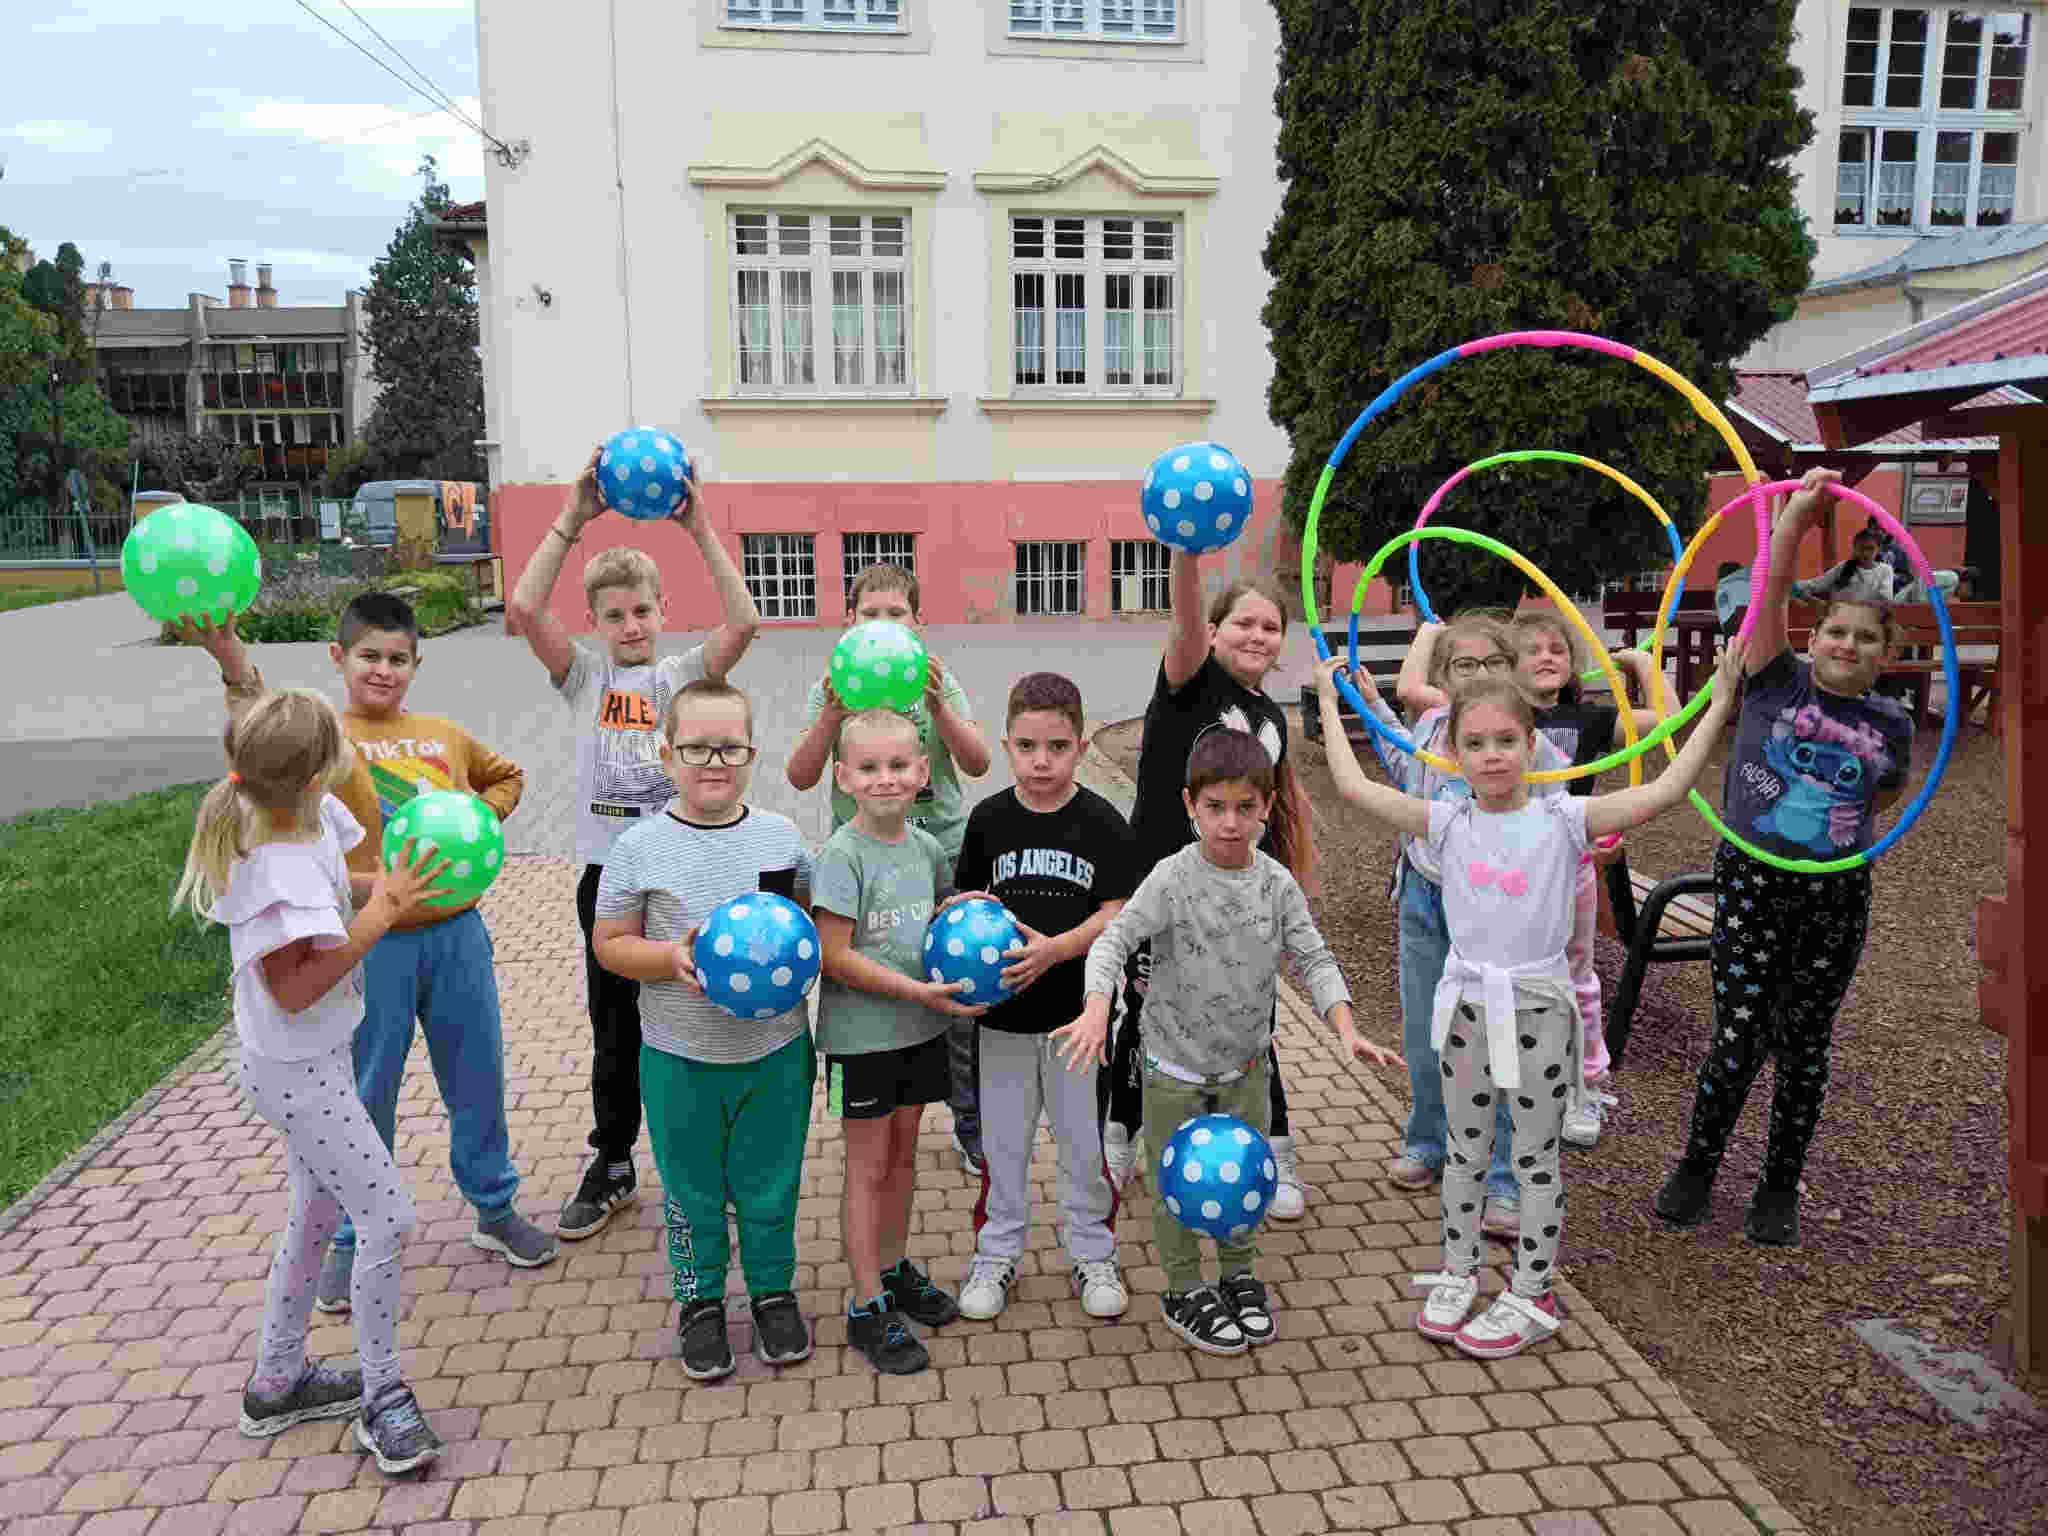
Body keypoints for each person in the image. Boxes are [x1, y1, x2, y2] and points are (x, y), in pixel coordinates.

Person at [1313, 639, 1746, 1358]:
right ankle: (1460, 1269)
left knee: (1537, 1158)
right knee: (1464, 1152)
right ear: (1453, 752)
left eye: (1506, 741)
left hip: (1539, 1013)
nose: (1491, 756)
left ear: (1532, 744)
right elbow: (1355, 787)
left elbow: (1668, 790)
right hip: (1467, 1011)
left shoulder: (1564, 819)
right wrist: (1332, 705)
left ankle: (1534, 1288)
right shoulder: (1448, 822)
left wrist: (1722, 699)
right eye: (1475, 743)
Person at [189, 597, 556, 1314]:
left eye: (398, 659)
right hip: (371, 940)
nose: (384, 671)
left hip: (457, 934)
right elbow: (265, 740)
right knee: (366, 1089)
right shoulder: (330, 739)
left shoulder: (443, 734)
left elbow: (506, 776)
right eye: (370, 657)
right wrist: (234, 663)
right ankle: (350, 1237)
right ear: (339, 659)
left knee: (476, 1073)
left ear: (416, 665)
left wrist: (475, 819)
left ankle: (494, 1205)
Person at [1055, 729, 1398, 1356]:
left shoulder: (1276, 884)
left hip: (1246, 1071)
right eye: (1215, 807)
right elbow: (1112, 941)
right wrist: (1097, 1007)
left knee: (1244, 1177)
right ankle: (1184, 1287)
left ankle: (1239, 1277)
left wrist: (1346, 1027)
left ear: (1267, 806)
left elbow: (1315, 957)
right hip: (1172, 1072)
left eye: (1245, 807)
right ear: (1190, 804)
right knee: (1175, 1187)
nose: (1231, 823)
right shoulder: (1171, 879)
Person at [174, 687, 447, 1474]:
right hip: (295, 1073)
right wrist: (381, 917)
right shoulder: (273, 871)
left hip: (313, 1059)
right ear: (317, 772)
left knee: (317, 1212)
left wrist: (383, 886)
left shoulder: (306, 815)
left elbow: (338, 883)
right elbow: (295, 988)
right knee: (387, 1219)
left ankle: (278, 1382)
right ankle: (383, 1399)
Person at [1653, 468, 1914, 1248]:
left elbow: (1886, 797)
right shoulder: (1774, 680)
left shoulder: (1892, 723)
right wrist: (1793, 521)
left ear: (1885, 654)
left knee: (1804, 1046)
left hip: (1835, 893)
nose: (1847, 644)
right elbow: (1767, 594)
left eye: (1865, 638)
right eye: (1836, 631)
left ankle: (1777, 1186)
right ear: (1812, 637)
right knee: (1738, 1037)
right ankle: (1697, 1168)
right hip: (1754, 883)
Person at [506, 447, 760, 1241]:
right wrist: (572, 517)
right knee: (614, 1031)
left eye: (642, 611)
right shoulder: (584, 679)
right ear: (596, 622)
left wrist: (699, 527)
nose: (631, 627)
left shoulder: (682, 676)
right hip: (610, 881)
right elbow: (524, 609)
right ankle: (613, 1161)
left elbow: (744, 623)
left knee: (702, 1016)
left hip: (684, 873)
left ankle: (713, 1162)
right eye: (614, 616)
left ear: (661, 609)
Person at [590, 680, 814, 1380]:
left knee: (771, 1184)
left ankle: (773, 1292)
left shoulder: (782, 838)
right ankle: (701, 1301)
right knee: (691, 1193)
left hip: (775, 1052)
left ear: (753, 753)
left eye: (730, 748)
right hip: (678, 1056)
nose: (714, 762)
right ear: (667, 755)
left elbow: (802, 925)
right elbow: (608, 944)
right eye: (696, 748)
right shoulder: (638, 847)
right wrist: (669, 958)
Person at [1106, 563, 1317, 1219]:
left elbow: (1272, 807)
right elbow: (1185, 619)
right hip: (1165, 893)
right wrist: (1186, 551)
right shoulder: (1190, 685)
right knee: (1144, 1016)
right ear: (1216, 631)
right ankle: (1120, 1135)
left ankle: (1273, 1148)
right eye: (1243, 622)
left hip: (1238, 898)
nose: (1257, 635)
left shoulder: (1269, 715)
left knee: (1253, 1017)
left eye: (1270, 627)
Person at [1366, 613, 1569, 1236]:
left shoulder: (1531, 745)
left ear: (1513, 671)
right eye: (1464, 665)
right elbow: (1401, 772)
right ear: (1444, 676)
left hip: (1491, 910)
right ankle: (1428, 1141)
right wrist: (1370, 703)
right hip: (1425, 899)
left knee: (1498, 1041)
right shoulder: (1431, 729)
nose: (1478, 675)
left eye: (1493, 663)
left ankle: (1504, 1179)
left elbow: (1564, 819)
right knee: (1426, 1033)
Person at [789, 565, 991, 1177]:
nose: (883, 625)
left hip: (939, 859)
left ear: (919, 622)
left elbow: (978, 762)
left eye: (896, 613)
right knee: (865, 980)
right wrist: (831, 715)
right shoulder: (832, 686)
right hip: (862, 870)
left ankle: (969, 1123)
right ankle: (863, 1105)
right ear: (849, 622)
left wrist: (939, 706)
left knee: (956, 995)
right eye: (870, 614)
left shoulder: (938, 681)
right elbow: (800, 775)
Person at [951, 673, 1136, 1324]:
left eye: (1057, 747)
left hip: (1076, 1022)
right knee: (1003, 1150)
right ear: (1006, 745)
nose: (1041, 761)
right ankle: (996, 1253)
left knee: (1083, 1147)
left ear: (1081, 747)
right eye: (1027, 746)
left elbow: (1117, 911)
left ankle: (1093, 1251)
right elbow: (967, 902)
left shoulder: (1101, 821)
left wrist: (1057, 949)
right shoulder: (988, 820)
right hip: (1002, 1022)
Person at [812, 708, 986, 1374]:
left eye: (897, 765)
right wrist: (915, 990)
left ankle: (892, 1269)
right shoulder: (841, 855)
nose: (884, 779)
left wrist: (965, 910)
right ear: (843, 778)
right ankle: (866, 1305)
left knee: (905, 1158)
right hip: (861, 1042)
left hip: (921, 1032)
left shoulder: (927, 848)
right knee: (867, 1167)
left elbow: (937, 918)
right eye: (868, 767)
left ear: (922, 772)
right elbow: (833, 955)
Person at [1504, 609, 1665, 1148]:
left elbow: (1665, 721)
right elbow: (1419, 700)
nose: (1547, 657)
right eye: (1532, 650)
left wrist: (1641, 663)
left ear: (1572, 665)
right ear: (1508, 664)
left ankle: (1585, 1086)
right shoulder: (1495, 716)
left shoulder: (1589, 719)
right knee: (1511, 976)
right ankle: (1521, 1084)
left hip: (1567, 864)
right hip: (1507, 865)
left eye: (1557, 649)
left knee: (1576, 978)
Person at [1792, 526, 1895, 605]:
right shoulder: (1843, 567)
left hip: (1868, 620)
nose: (1865, 553)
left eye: (1870, 548)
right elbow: (1816, 584)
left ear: (1879, 549)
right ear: (1854, 548)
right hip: (1840, 619)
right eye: (1861, 548)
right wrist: (1792, 587)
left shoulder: (1885, 570)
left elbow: (1885, 598)